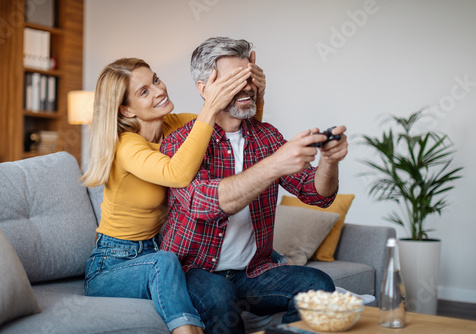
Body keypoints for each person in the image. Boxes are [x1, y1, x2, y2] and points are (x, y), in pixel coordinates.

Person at [160, 37, 348, 333]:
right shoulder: (180, 142)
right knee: (220, 296)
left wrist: (330, 161)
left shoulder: (266, 136)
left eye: (249, 76)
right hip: (193, 270)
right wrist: (275, 164)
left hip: (251, 272)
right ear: (205, 89)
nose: (248, 87)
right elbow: (204, 204)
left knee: (318, 285)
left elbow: (317, 194)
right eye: (235, 80)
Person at [80, 56, 266, 334]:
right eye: (144, 91)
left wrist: (254, 93)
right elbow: (176, 173)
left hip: (156, 250)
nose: (159, 90)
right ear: (127, 110)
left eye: (155, 80)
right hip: (113, 263)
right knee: (165, 261)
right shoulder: (127, 146)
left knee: (268, 256)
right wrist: (210, 105)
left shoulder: (175, 126)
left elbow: (237, 131)